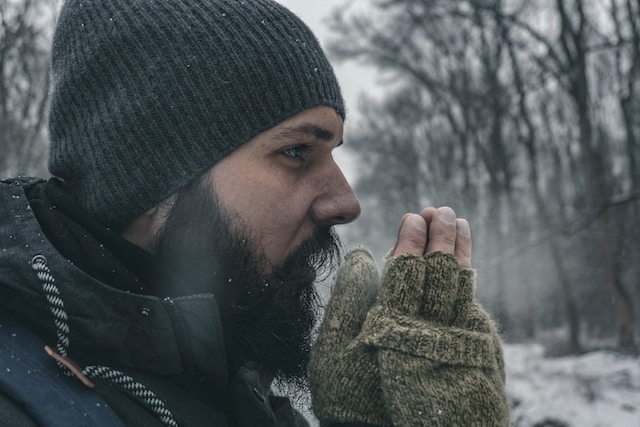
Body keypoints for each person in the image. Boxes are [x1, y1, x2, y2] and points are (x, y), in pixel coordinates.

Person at [0, 0, 510, 426]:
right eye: (296, 153)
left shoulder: (228, 375)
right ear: (154, 179)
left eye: (333, 153)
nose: (345, 202)